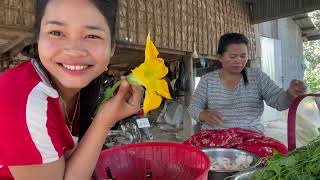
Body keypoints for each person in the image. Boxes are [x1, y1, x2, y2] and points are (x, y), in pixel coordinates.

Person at [0, 0, 142, 179]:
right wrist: (104, 121)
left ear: (112, 47)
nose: (74, 51)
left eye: (91, 36)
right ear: (38, 40)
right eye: (56, 32)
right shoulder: (21, 102)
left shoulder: (80, 89)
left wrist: (105, 119)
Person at [189, 33, 306, 132]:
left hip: (250, 135)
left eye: (243, 56)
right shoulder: (208, 80)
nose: (239, 61)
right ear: (220, 57)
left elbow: (278, 102)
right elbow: (193, 107)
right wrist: (203, 115)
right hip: (214, 134)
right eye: (233, 56)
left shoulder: (257, 77)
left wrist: (289, 95)